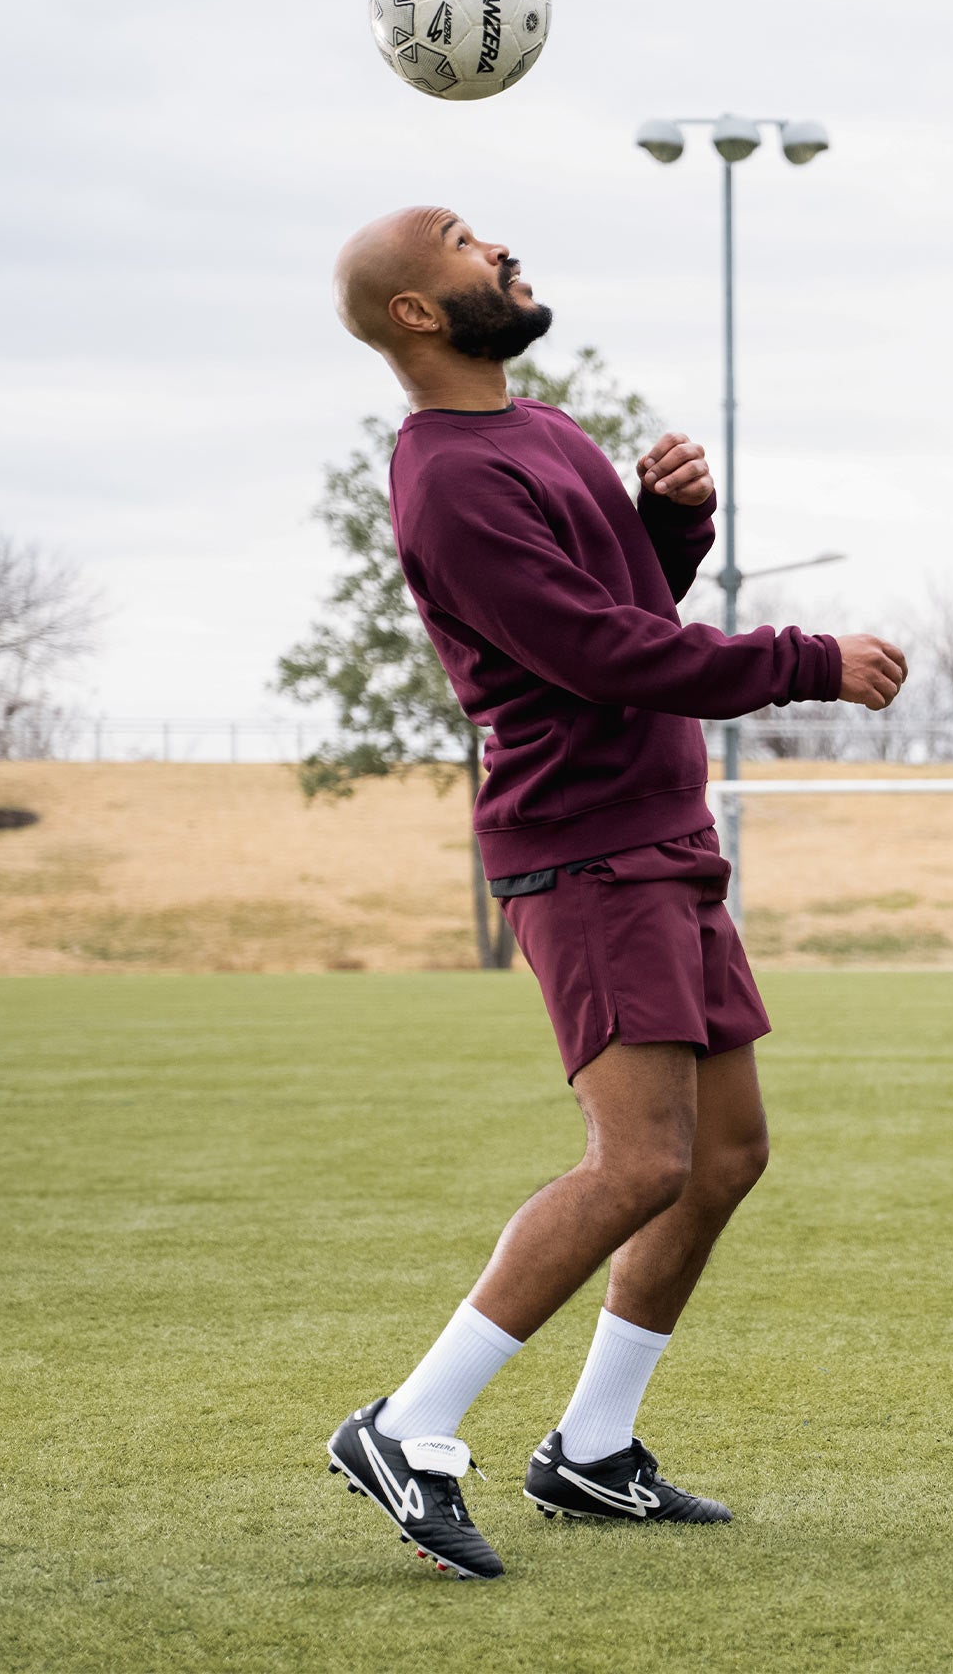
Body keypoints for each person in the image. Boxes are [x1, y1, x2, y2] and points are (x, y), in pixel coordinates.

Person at [321, 205, 908, 1579]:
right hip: (584, 850)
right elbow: (593, 655)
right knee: (639, 1159)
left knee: (722, 1160)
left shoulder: (544, 435)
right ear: (417, 312)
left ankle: (591, 1450)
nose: (499, 250)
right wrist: (807, 662)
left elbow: (624, 608)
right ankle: (410, 1424)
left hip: (657, 832)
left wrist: (669, 525)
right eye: (465, 244)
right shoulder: (447, 480)